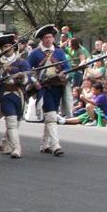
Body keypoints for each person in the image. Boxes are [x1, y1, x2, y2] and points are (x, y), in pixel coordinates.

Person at [0, 34, 33, 158]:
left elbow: (29, 77)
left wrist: (20, 79)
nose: (8, 48)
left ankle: (6, 142)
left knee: (16, 122)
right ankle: (17, 148)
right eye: (5, 46)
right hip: (4, 95)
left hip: (19, 95)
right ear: (1, 49)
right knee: (11, 122)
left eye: (10, 46)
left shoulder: (22, 62)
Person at [27, 24, 69, 156]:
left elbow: (67, 67)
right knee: (51, 116)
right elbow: (28, 71)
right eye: (46, 37)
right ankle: (55, 145)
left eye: (50, 37)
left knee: (50, 116)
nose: (48, 40)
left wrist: (64, 74)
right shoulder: (35, 53)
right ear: (41, 39)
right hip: (43, 88)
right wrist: (35, 82)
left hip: (57, 86)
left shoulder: (59, 52)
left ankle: (45, 144)